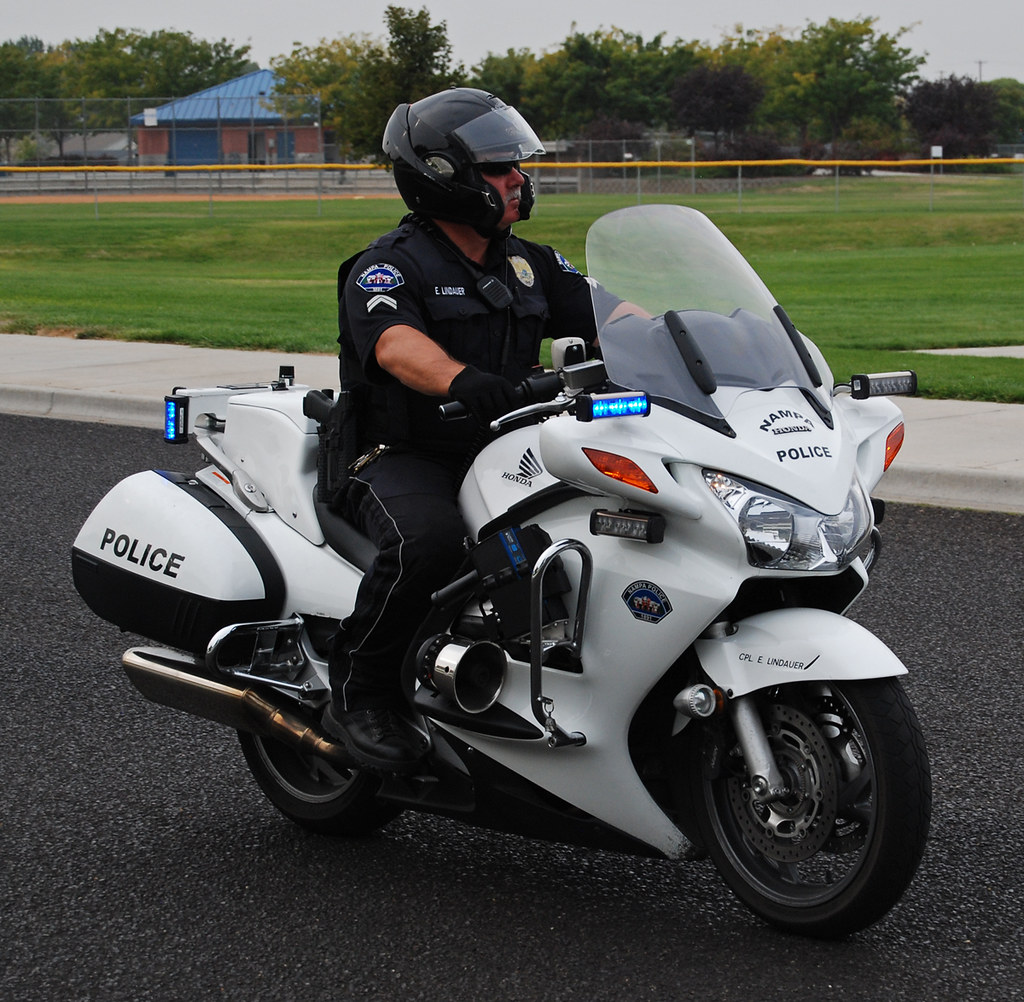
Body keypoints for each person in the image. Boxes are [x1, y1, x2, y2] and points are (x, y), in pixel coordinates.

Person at [322, 87, 605, 773]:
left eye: (518, 167)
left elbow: (613, 315)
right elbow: (393, 345)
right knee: (429, 544)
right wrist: (463, 379)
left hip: (507, 448)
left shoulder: (529, 262)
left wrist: (699, 339)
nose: (518, 180)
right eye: (499, 170)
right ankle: (360, 695)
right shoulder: (388, 266)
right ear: (443, 177)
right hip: (404, 452)